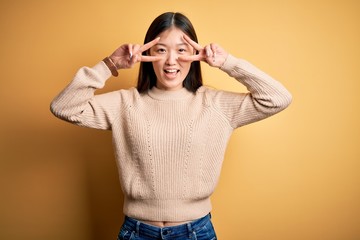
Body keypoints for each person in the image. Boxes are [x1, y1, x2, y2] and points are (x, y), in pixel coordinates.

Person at [51, 12, 292, 240]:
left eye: (182, 50)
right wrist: (110, 64)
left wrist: (227, 62)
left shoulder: (215, 104)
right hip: (136, 231)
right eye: (161, 50)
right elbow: (64, 107)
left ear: (196, 55)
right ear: (147, 55)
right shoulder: (125, 103)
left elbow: (278, 98)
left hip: (196, 231)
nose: (171, 60)